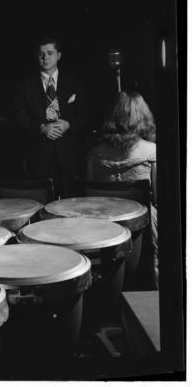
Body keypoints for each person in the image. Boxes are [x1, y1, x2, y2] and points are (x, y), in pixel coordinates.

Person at [86, 90, 158, 286]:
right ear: (142, 116)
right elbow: (158, 198)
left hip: (104, 230)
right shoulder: (152, 152)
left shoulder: (94, 153)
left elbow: (88, 200)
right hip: (142, 230)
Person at [14, 39, 88, 197]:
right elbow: (19, 118)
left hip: (69, 156)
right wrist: (41, 128)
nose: (45, 57)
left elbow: (85, 114)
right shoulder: (25, 86)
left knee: (70, 204)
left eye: (50, 53)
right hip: (39, 156)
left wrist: (69, 124)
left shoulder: (74, 83)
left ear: (59, 55)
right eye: (41, 54)